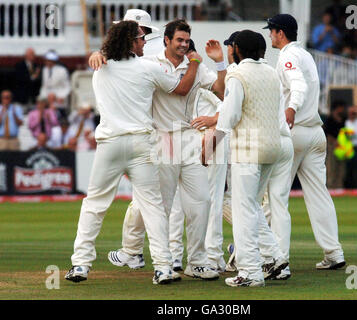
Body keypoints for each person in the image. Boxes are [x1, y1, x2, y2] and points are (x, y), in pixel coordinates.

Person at [65, 20, 202, 285]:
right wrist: (194, 63)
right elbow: (182, 88)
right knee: (152, 207)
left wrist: (100, 53)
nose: (143, 43)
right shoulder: (148, 67)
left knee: (94, 205)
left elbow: (105, 57)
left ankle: (80, 265)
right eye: (140, 39)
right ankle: (162, 267)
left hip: (111, 144)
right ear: (130, 41)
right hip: (141, 144)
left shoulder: (100, 67)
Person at [90, 18, 226, 280]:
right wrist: (98, 53)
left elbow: (221, 91)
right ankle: (164, 262)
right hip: (161, 138)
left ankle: (196, 261)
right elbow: (117, 60)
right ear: (166, 40)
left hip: (187, 138)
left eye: (187, 41)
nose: (184, 45)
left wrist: (219, 63)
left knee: (201, 201)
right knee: (161, 207)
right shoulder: (149, 63)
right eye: (179, 40)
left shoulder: (194, 64)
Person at [202, 30, 289, 287]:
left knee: (242, 211)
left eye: (233, 48)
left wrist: (212, 140)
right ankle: (276, 258)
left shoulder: (237, 75)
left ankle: (250, 272)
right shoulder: (271, 71)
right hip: (273, 147)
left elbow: (229, 116)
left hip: (249, 149)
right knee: (251, 207)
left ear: (238, 49)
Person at [263, 14, 345, 272]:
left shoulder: (288, 56)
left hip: (295, 131)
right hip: (315, 133)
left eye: (272, 31)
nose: (269, 36)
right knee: (319, 195)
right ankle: (334, 253)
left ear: (280, 33)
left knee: (274, 197)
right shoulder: (306, 54)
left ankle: (271, 257)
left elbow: (297, 85)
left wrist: (291, 109)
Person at [38, 50, 71, 118]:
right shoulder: (45, 70)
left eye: (48, 60)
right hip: (47, 100)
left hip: (59, 99)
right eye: (46, 60)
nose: (47, 62)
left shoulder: (62, 70)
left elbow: (67, 87)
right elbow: (44, 86)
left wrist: (60, 96)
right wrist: (43, 97)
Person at [323, 101, 347, 189]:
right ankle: (331, 186)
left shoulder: (343, 118)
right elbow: (327, 133)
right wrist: (335, 141)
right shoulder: (329, 119)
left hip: (341, 145)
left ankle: (339, 186)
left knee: (341, 168)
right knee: (331, 167)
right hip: (332, 145)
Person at [344, 105, 357, 188]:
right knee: (349, 169)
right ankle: (349, 187)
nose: (352, 114)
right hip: (350, 148)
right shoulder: (347, 122)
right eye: (350, 113)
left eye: (353, 113)